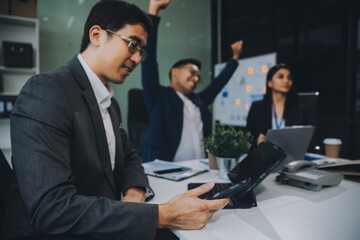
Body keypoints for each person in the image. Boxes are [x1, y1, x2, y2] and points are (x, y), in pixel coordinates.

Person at [1, 1, 229, 239]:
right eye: (132, 44)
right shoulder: (47, 90)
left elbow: (130, 157)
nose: (137, 58)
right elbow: (52, 209)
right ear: (97, 35)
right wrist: (161, 216)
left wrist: (135, 190)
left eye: (142, 51)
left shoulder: (110, 103)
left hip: (102, 220)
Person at [141, 0, 243, 163]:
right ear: (174, 72)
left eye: (198, 77)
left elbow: (219, 83)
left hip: (199, 170)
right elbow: (149, 61)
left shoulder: (199, 101)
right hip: (164, 172)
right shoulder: (159, 97)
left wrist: (235, 58)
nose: (196, 79)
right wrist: (154, 11)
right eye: (192, 72)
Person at [246, 63, 305, 145]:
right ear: (270, 83)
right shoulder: (257, 107)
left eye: (289, 78)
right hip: (266, 155)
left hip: (292, 155)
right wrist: (257, 141)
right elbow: (248, 138)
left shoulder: (299, 107)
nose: (286, 81)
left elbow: (305, 138)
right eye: (281, 77)